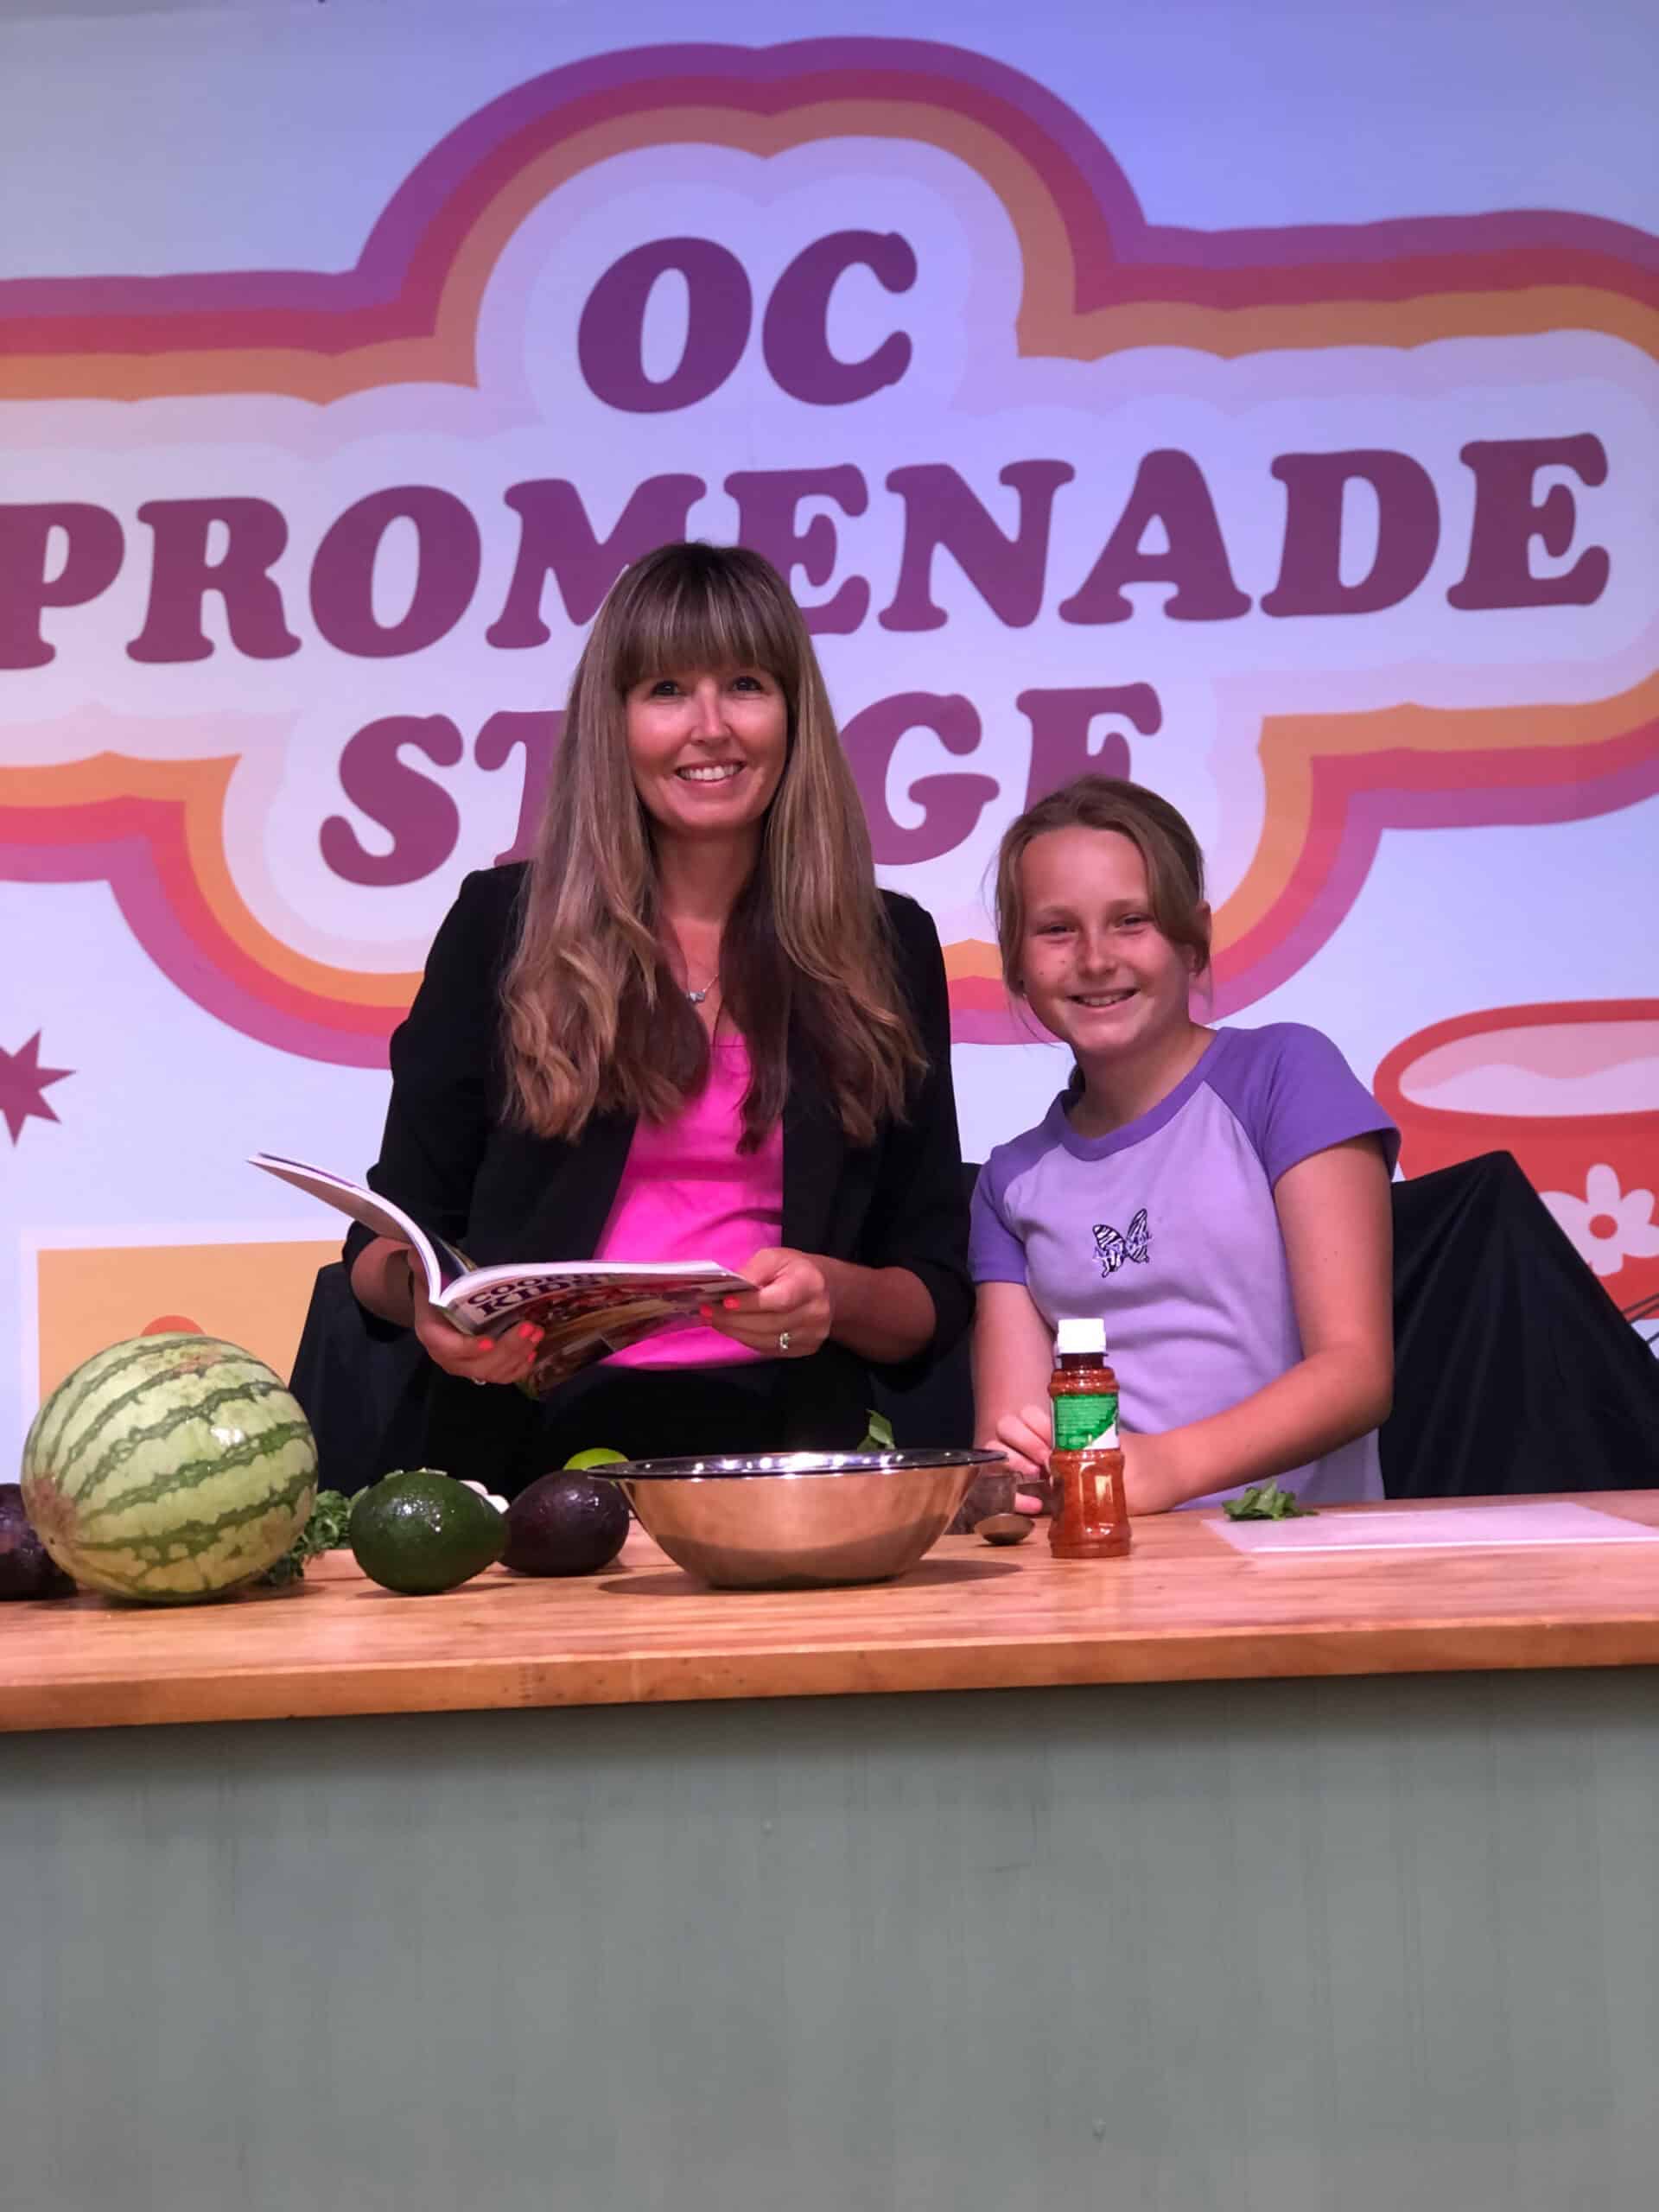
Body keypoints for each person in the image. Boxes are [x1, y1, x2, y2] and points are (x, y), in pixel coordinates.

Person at [346, 542, 970, 1492]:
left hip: (790, 1457)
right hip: (523, 1457)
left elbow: (931, 1292)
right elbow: (382, 1250)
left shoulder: (888, 944)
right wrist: (430, 1309)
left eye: (748, 684)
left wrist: (832, 1297)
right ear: (615, 723)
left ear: (794, 716)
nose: (711, 728)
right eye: (668, 689)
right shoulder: (498, 928)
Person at [970, 773, 1398, 1513]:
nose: (1096, 958)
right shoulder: (1009, 1181)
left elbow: (1357, 1373)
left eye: (1131, 919)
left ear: (1193, 939)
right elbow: (1010, 1445)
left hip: (1302, 1565)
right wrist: (1000, 1486)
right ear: (1015, 961)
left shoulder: (1286, 1074)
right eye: (1056, 928)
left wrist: (1165, 1467)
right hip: (1107, 1573)